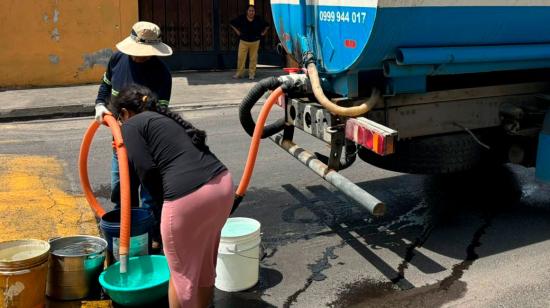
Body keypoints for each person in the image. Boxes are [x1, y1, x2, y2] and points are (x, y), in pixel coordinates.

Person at [111, 84, 234, 308]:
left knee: (180, 276)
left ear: (125, 113)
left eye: (119, 119)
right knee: (205, 264)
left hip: (188, 200)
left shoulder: (131, 125)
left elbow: (145, 169)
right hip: (222, 187)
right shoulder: (163, 119)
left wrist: (163, 206)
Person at [94, 21, 172, 250]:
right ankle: (124, 238)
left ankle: (151, 240)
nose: (140, 58)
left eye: (145, 54)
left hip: (148, 148)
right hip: (119, 145)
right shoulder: (117, 60)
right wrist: (100, 104)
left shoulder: (161, 75)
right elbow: (105, 87)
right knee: (121, 192)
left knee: (149, 197)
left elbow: (158, 117)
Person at [230, 5, 270, 80]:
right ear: (247, 11)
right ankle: (239, 74)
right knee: (241, 58)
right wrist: (237, 31)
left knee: (253, 58)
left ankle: (252, 74)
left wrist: (264, 32)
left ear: (254, 12)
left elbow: (267, 25)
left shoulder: (258, 19)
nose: (251, 12)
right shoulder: (242, 18)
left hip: (255, 42)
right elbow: (231, 23)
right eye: (250, 11)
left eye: (253, 11)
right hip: (243, 41)